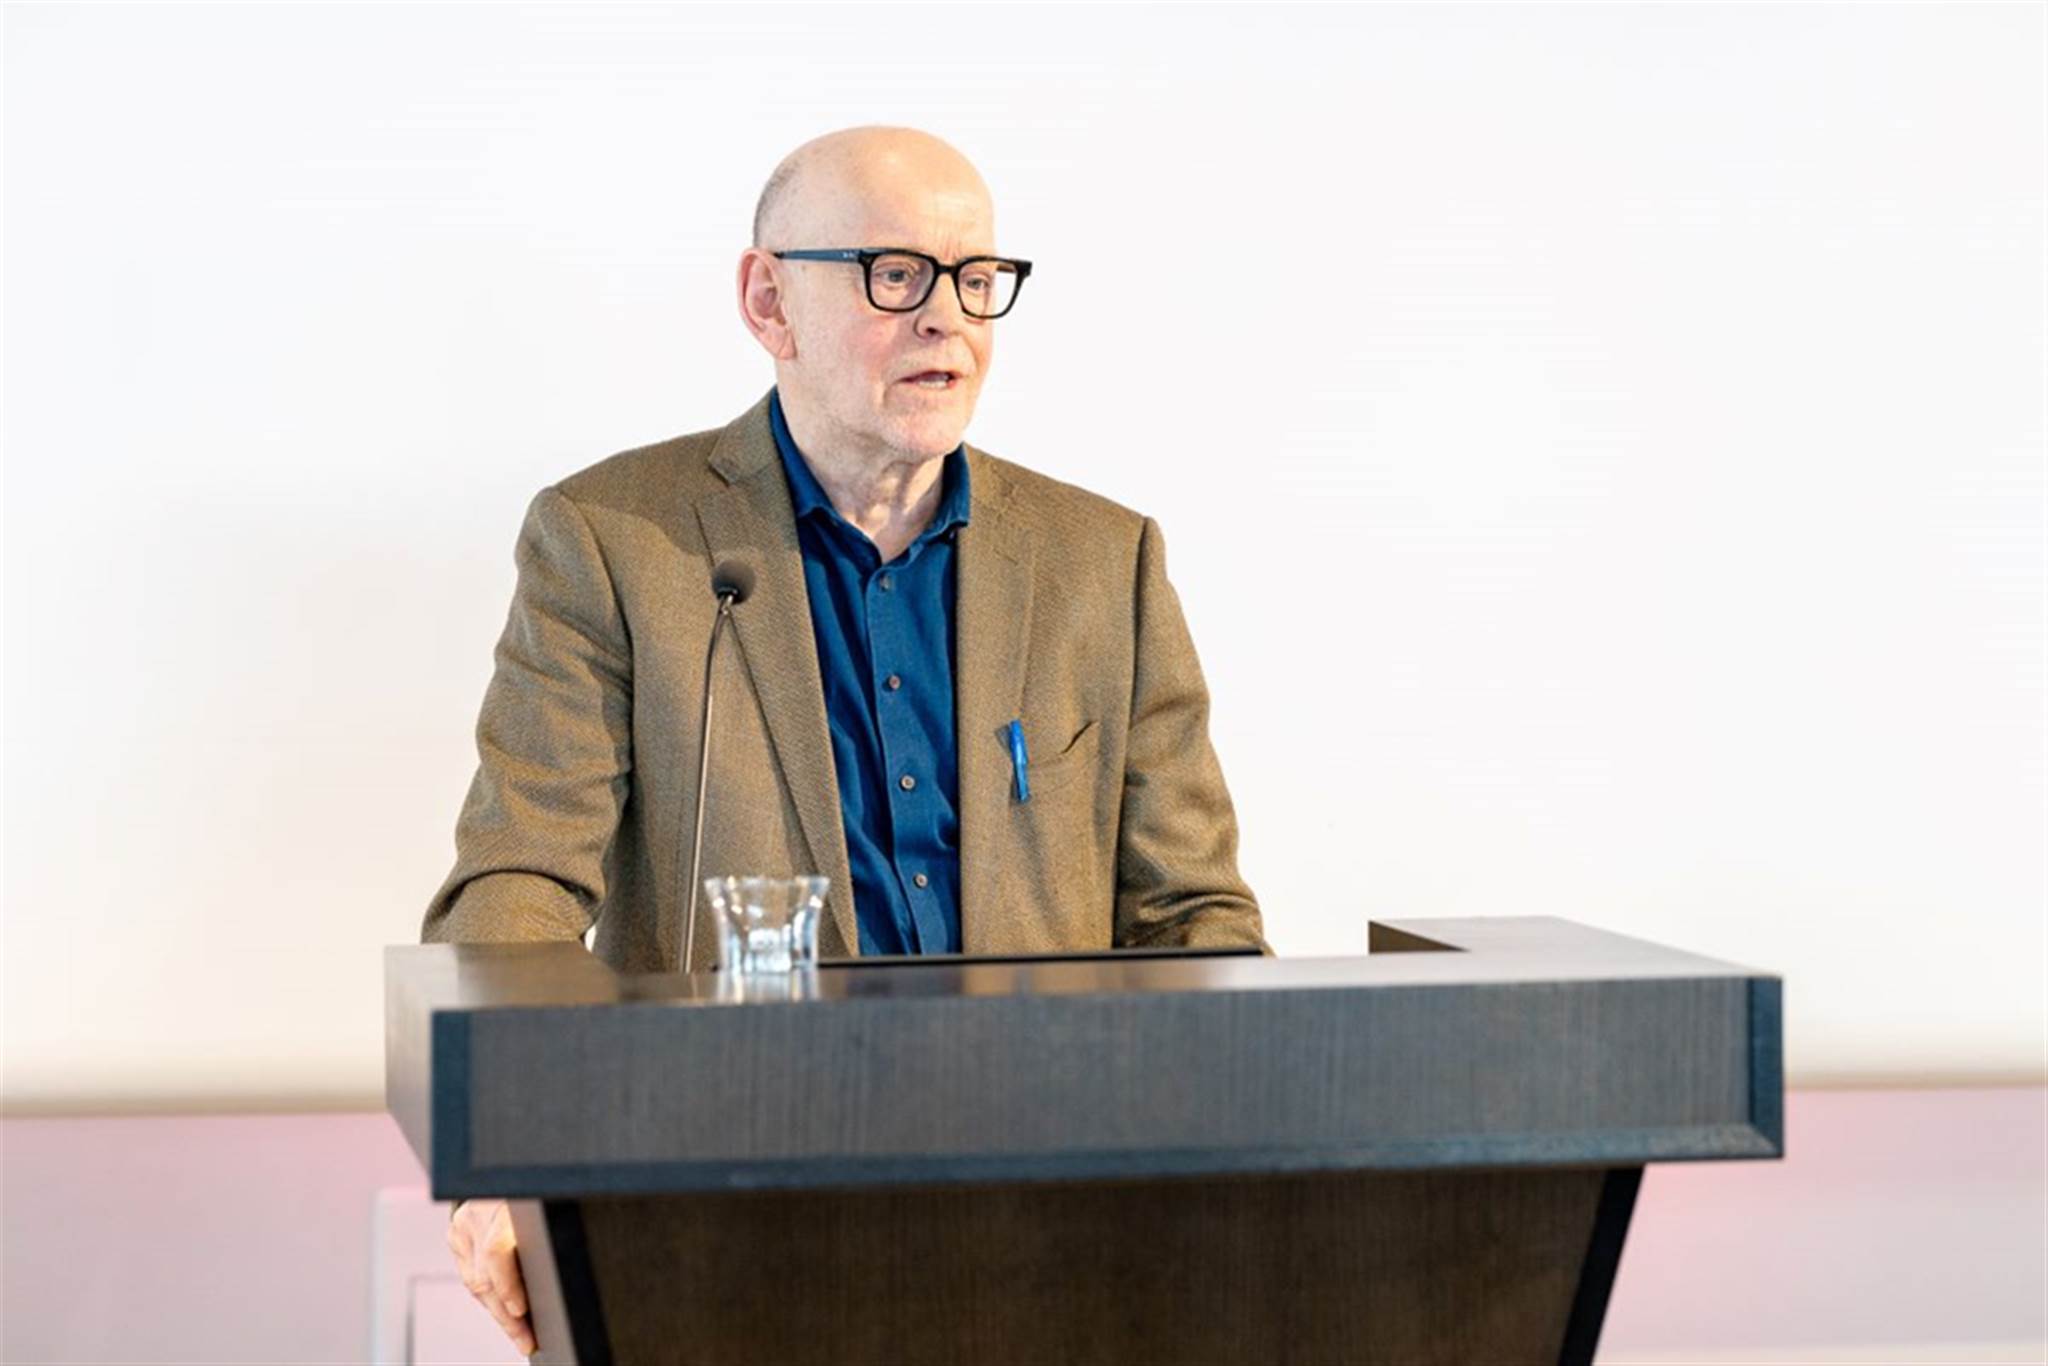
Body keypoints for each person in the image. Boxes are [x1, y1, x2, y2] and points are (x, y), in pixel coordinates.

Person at [425, 125, 1266, 1357]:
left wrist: (1240, 1160)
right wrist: (504, 1150)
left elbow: (1195, 918)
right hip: (729, 1215)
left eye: (975, 278)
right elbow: (518, 887)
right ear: (768, 301)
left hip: (1054, 1221)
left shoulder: (1100, 562)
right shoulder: (613, 542)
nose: (947, 319)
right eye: (894, 272)